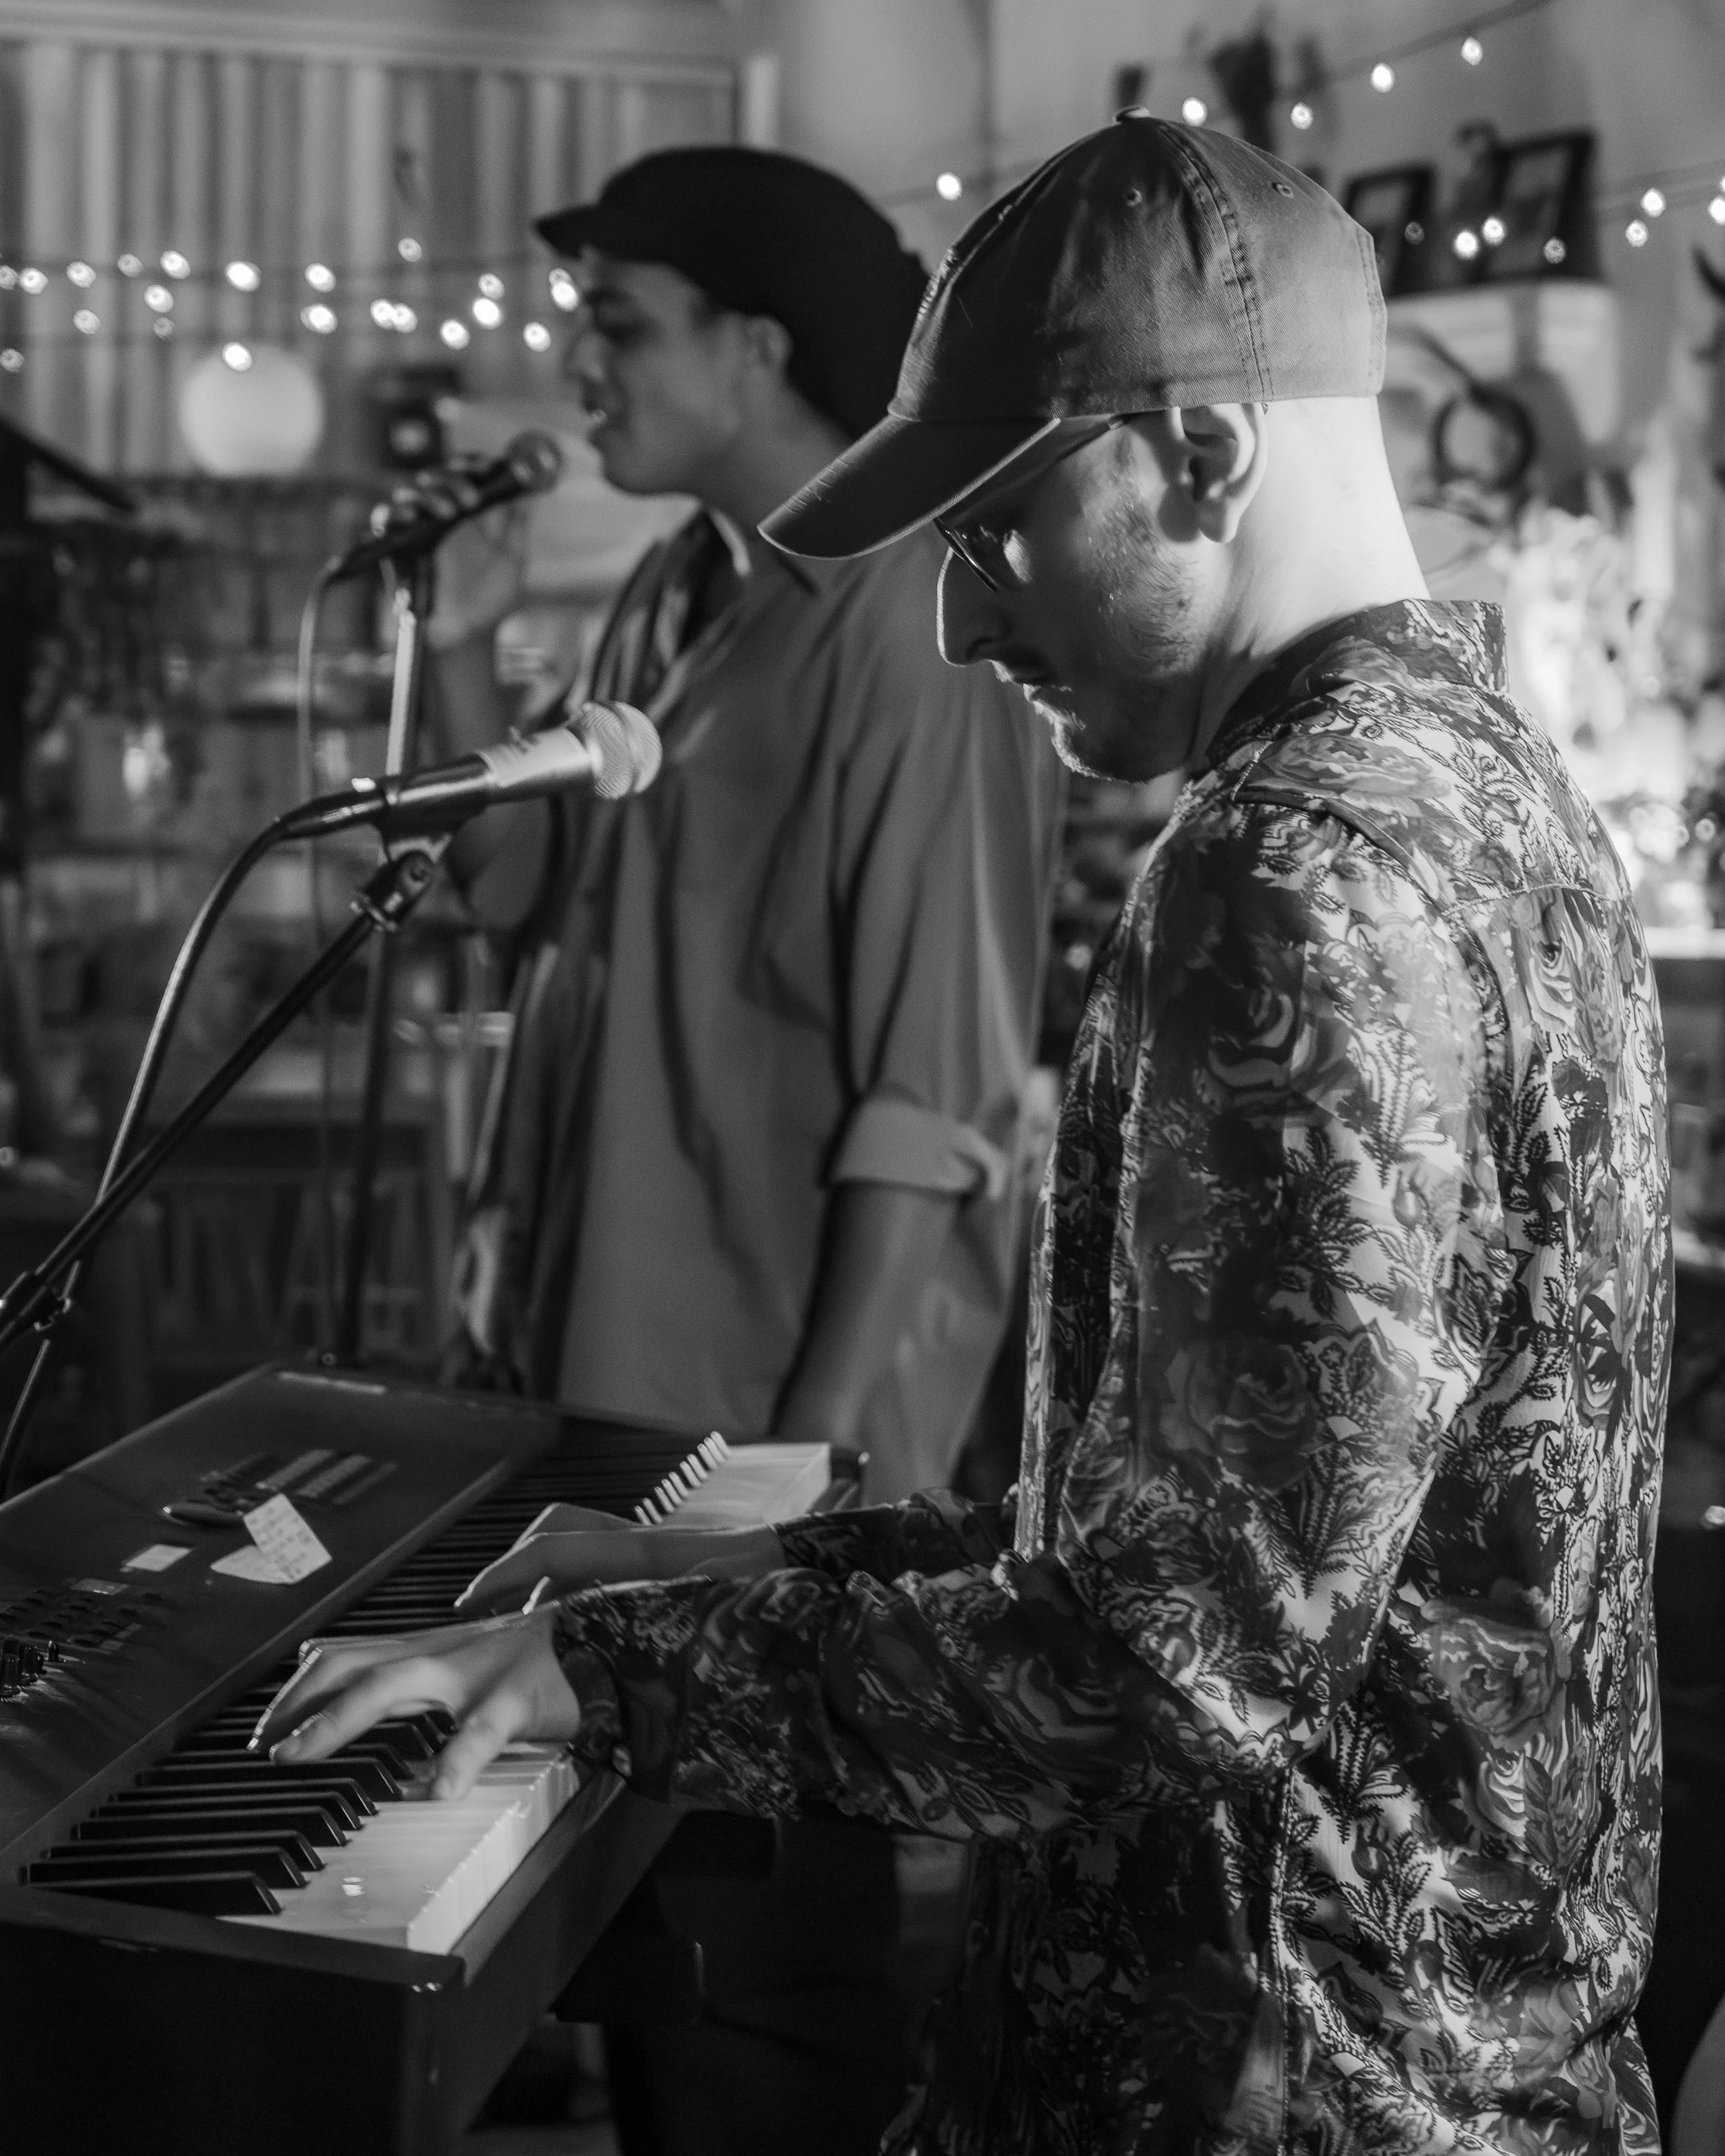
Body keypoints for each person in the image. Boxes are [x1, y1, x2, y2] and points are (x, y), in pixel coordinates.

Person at [259, 116, 1670, 2156]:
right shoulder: (1503, 799)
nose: (953, 626)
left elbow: (1166, 1668)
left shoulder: (1284, 863)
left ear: (1198, 453)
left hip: (1268, 2088)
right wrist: (749, 1561)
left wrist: (616, 1681)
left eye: (992, 526)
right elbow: (1217, 1549)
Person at [422, 146, 1063, 2156]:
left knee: (756, 2002)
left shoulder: (905, 621)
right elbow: (517, 887)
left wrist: (794, 1477)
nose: (574, 363)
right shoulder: (669, 582)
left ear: (755, 343)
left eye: (617, 322)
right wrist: (452, 646)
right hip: (601, 1388)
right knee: (629, 1964)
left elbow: (928, 1090)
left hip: (758, 1445)